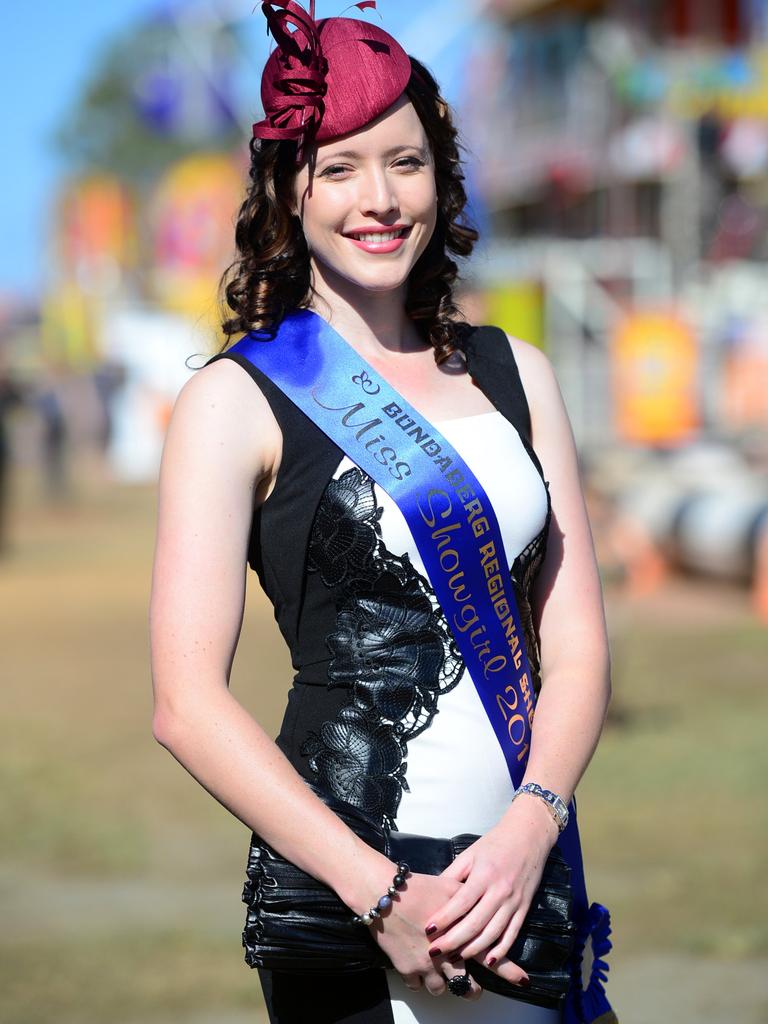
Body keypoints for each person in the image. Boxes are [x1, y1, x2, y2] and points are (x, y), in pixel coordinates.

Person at [149, 3, 613, 1022]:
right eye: (340, 167)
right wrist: (381, 893)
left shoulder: (519, 374)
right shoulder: (237, 400)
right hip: (349, 904)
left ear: (442, 175)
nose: (380, 197)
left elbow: (573, 647)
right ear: (287, 191)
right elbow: (185, 703)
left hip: (520, 881)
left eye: (405, 162)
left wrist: (531, 828)